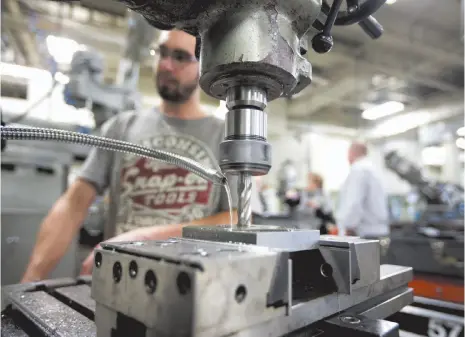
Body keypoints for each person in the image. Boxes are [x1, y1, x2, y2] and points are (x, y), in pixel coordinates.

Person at [21, 30, 239, 283]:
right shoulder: (122, 128)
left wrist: (146, 238)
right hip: (121, 282)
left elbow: (233, 219)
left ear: (204, 65)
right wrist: (31, 278)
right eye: (163, 53)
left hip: (193, 285)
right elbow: (74, 204)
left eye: (180, 57)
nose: (166, 65)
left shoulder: (225, 135)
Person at [337, 142, 389, 238]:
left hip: (363, 232)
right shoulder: (374, 169)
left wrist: (348, 227)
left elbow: (354, 203)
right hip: (378, 230)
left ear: (351, 153)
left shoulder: (359, 170)